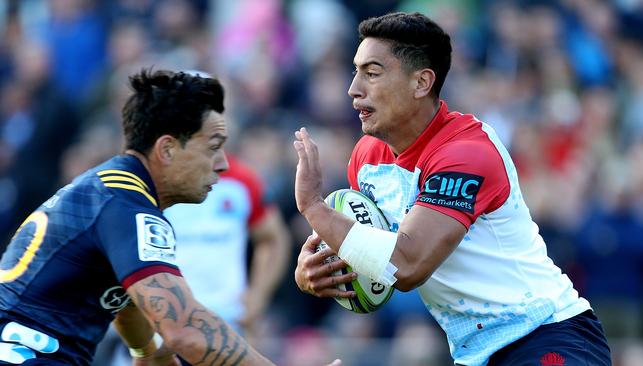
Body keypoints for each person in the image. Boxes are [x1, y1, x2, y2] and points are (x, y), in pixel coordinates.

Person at [292, 12, 611, 366]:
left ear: (421, 83)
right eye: (355, 71)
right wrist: (318, 269)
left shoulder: (466, 153)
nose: (354, 88)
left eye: (372, 73)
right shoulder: (366, 157)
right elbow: (374, 260)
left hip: (545, 334)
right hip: (473, 353)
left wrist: (314, 209)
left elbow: (406, 264)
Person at [0, 69, 340, 366]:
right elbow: (187, 330)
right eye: (213, 146)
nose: (222, 163)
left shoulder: (114, 192)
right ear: (166, 149)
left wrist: (147, 349)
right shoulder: (127, 208)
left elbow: (128, 294)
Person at [165, 152, 291, 337]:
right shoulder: (160, 181)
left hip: (228, 318)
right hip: (167, 318)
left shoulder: (242, 180)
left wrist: (258, 294)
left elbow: (272, 239)